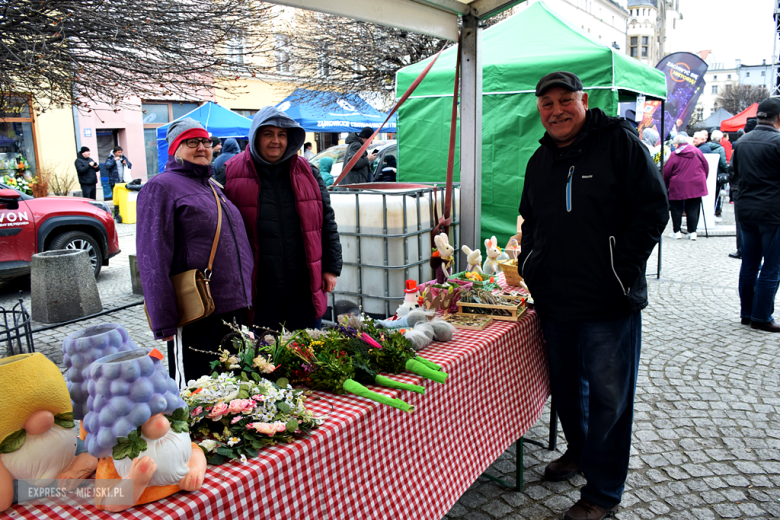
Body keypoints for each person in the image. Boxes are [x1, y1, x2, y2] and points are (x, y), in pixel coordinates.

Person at [517, 72, 668, 520]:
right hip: (556, 300)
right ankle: (579, 453)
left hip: (607, 300)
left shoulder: (619, 145)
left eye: (566, 100)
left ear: (583, 101)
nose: (557, 110)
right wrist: (532, 265)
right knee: (566, 389)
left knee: (609, 397)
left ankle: (603, 492)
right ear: (539, 111)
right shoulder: (539, 159)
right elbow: (531, 220)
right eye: (547, 104)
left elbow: (652, 209)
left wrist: (621, 267)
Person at [136, 118, 255, 386]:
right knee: (196, 391)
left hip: (229, 305)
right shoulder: (160, 187)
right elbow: (152, 257)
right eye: (192, 142)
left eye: (205, 141)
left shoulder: (213, 186)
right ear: (175, 148)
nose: (202, 147)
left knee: (232, 390)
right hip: (195, 311)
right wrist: (163, 319)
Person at [223, 106, 342, 332]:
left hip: (304, 287)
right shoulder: (230, 174)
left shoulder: (308, 171)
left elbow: (327, 221)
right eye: (268, 134)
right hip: (259, 291)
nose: (275, 141)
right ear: (256, 136)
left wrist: (331, 268)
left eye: (282, 135)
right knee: (263, 360)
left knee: (307, 357)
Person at [732, 97, 780, 333]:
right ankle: (761, 316)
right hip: (772, 213)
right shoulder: (778, 141)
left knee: (750, 264)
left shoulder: (742, 141)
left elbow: (735, 176)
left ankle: (747, 313)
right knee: (772, 267)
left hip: (747, 211)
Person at [664, 134, 709, 240]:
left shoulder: (674, 155)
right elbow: (706, 166)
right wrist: (702, 179)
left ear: (676, 144)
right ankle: (692, 232)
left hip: (678, 184)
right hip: (696, 183)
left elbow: (667, 171)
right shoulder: (697, 151)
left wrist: (666, 184)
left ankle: (677, 231)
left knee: (676, 208)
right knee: (693, 208)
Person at [708, 130, 729, 218]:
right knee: (716, 194)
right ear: (720, 139)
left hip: (707, 174)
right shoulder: (720, 149)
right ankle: (715, 212)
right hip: (717, 174)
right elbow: (723, 163)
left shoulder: (706, 146)